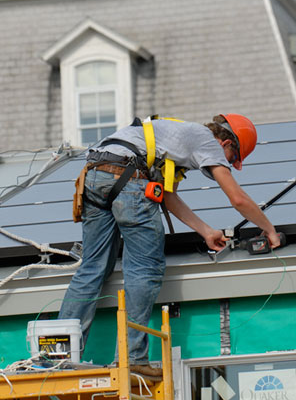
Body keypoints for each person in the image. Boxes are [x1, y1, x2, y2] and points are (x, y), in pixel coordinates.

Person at [59, 114, 280, 377]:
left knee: (93, 267)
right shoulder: (208, 141)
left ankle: (57, 354)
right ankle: (132, 357)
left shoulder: (174, 138)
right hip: (129, 177)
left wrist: (206, 231)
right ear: (226, 143)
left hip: (95, 173)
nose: (227, 164)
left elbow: (167, 195)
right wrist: (270, 230)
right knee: (144, 269)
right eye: (232, 158)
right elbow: (237, 198)